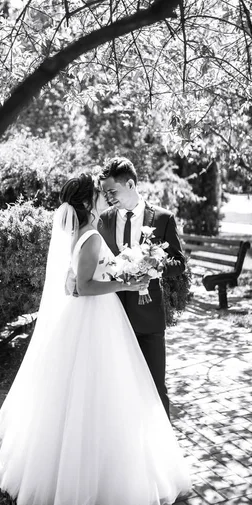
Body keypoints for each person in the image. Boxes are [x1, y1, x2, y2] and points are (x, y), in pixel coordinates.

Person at [0, 173, 191, 505]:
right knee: (102, 394)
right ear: (90, 202)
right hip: (96, 320)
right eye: (99, 193)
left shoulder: (79, 235)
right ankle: (100, 483)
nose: (105, 196)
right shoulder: (90, 236)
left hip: (89, 320)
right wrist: (126, 281)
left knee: (78, 395)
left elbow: (70, 284)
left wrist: (121, 275)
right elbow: (86, 287)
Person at [98, 157, 186, 420]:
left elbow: (179, 263)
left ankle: (163, 452)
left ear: (131, 184)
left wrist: (153, 266)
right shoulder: (104, 219)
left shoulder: (162, 218)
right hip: (112, 316)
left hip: (148, 318)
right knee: (118, 390)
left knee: (155, 387)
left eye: (112, 191)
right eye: (104, 192)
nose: (108, 196)